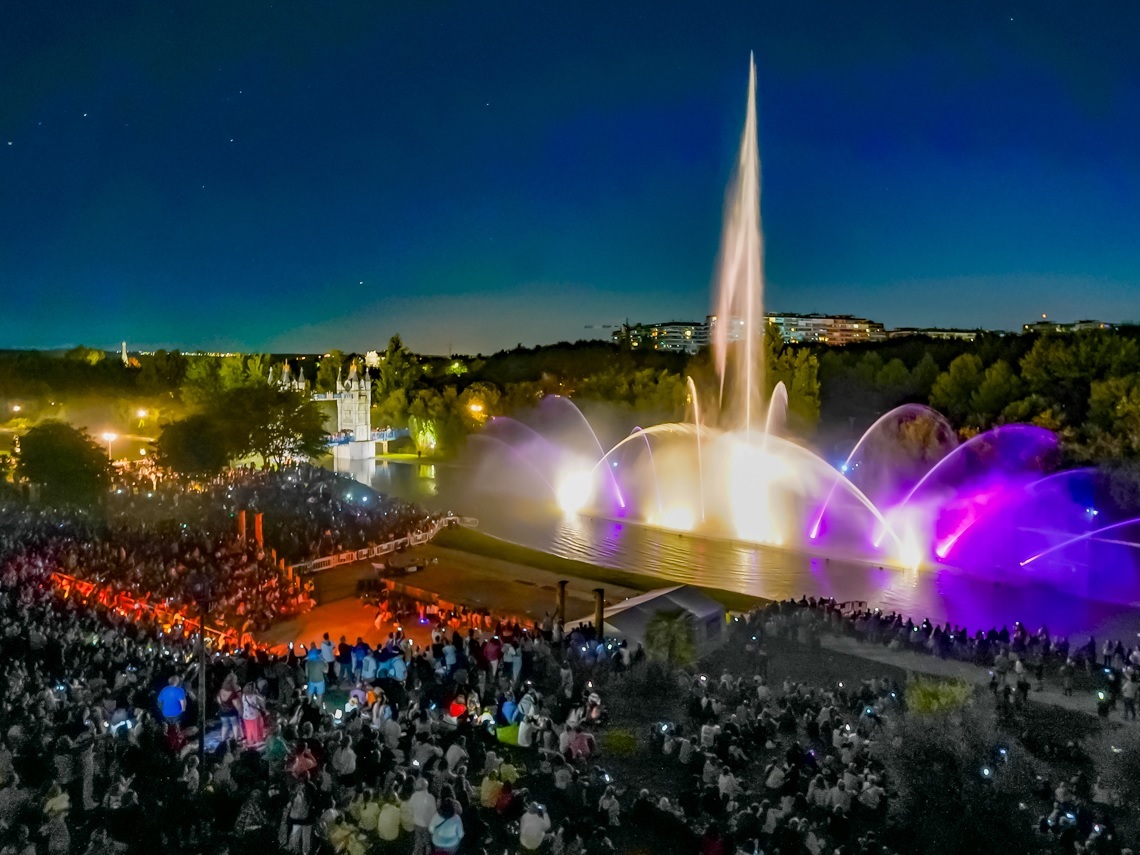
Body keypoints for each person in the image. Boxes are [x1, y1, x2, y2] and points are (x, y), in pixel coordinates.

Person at [240, 682, 267, 747]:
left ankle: (250, 742)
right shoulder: (255, 697)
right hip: (254, 717)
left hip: (246, 716)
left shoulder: (244, 696)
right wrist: (257, 693)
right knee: (256, 730)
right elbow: (263, 703)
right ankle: (258, 742)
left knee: (249, 730)